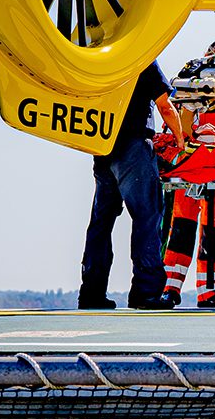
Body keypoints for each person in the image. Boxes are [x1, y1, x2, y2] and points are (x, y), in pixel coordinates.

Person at [79, 61, 185, 310]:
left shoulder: (100, 59)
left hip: (103, 145)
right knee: (147, 216)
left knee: (101, 221)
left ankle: (91, 292)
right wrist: (180, 140)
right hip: (133, 144)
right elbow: (165, 106)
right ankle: (145, 293)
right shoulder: (141, 56)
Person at [162, 41, 215, 306]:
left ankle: (209, 291)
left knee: (213, 234)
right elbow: (174, 129)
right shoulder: (187, 92)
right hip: (190, 171)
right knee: (180, 230)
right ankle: (170, 288)